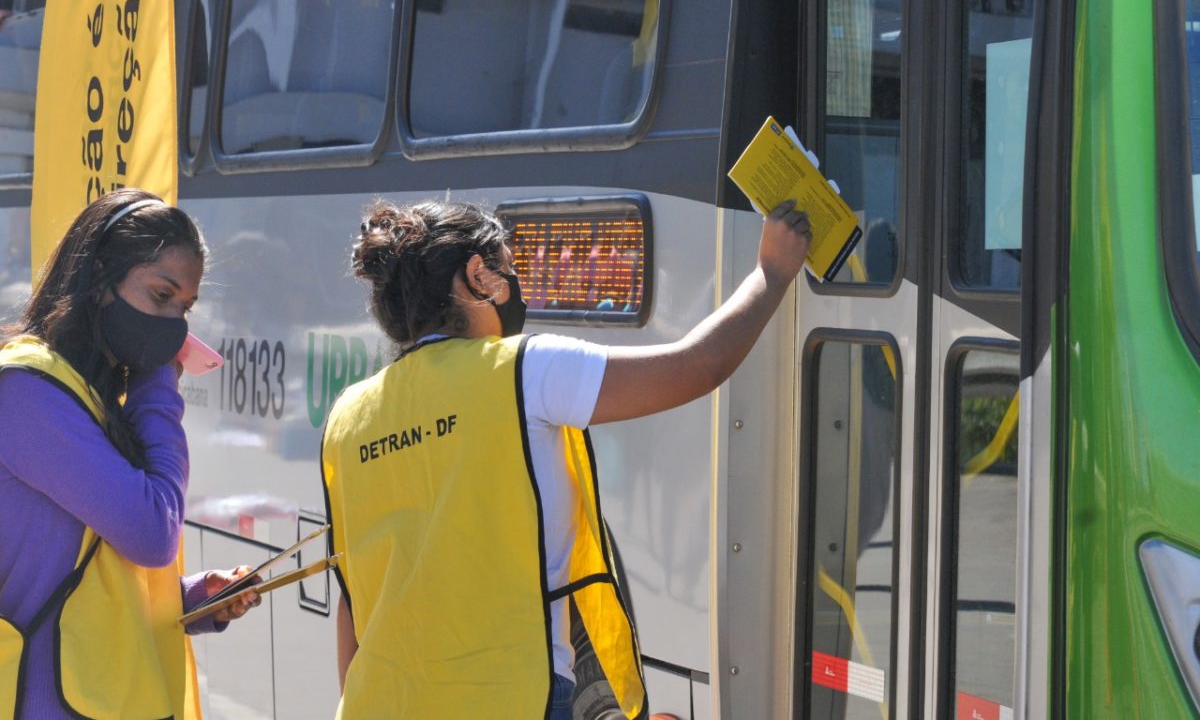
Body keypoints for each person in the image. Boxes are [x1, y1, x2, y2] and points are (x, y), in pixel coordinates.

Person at [321, 197, 811, 719]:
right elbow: (697, 366)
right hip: (511, 699)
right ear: (477, 276)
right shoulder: (526, 369)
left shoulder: (347, 416)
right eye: (508, 267)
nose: (515, 282)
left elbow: (353, 596)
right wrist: (773, 272)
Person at [0, 189, 261, 719]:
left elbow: (94, 573)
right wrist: (159, 380)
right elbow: (151, 532)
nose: (174, 326)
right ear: (99, 281)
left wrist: (189, 598)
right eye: (161, 296)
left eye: (185, 308)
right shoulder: (27, 391)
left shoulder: (85, 392)